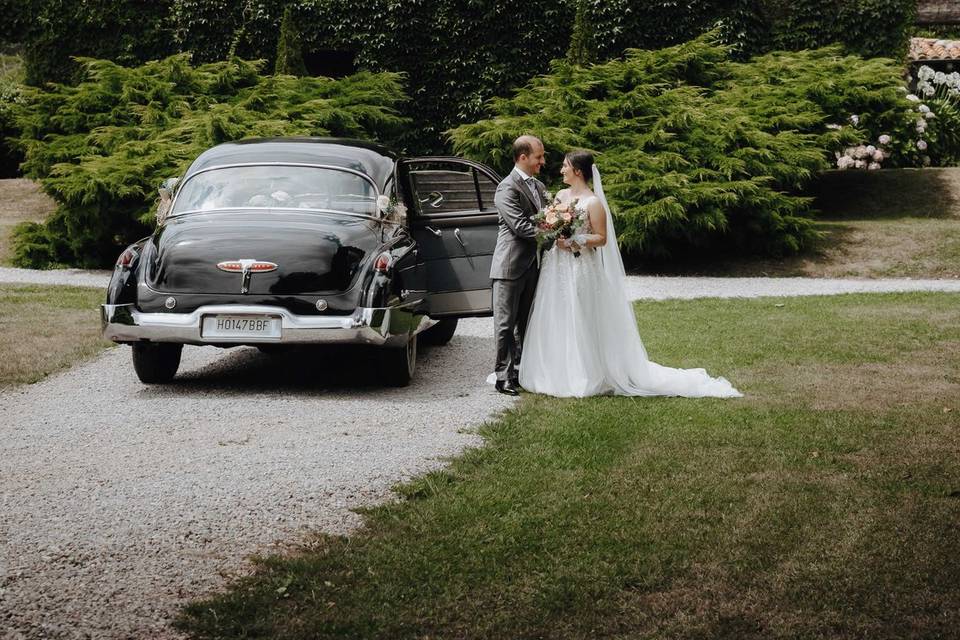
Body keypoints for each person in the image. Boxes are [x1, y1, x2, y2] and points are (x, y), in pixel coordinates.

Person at [518, 150, 742, 399]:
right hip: (557, 266)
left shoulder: (593, 203)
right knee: (556, 313)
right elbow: (551, 223)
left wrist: (576, 238)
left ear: (578, 171)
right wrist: (553, 232)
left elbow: (601, 239)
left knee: (579, 314)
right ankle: (554, 371)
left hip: (580, 267)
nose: (561, 170)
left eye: (565, 166)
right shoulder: (560, 195)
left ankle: (584, 374)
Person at [490, 135, 548, 396]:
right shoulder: (506, 188)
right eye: (539, 157)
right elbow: (521, 227)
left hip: (532, 266)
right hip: (509, 267)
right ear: (523, 157)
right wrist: (554, 233)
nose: (542, 161)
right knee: (505, 324)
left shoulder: (538, 185)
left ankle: (522, 372)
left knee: (526, 324)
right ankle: (503, 377)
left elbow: (546, 216)